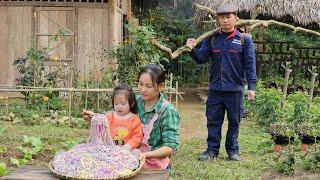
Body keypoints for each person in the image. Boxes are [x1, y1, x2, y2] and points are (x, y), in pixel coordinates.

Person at [186, 4, 257, 161]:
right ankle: (212, 150)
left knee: (234, 121)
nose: (225, 20)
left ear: (235, 18)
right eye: (222, 17)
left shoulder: (244, 40)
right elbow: (201, 58)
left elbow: (250, 65)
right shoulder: (212, 39)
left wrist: (251, 87)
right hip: (216, 90)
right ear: (217, 19)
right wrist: (191, 49)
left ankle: (232, 151)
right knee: (213, 121)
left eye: (228, 17)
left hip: (235, 89)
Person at [83, 64, 180, 170]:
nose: (143, 89)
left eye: (149, 86)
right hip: (130, 154)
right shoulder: (137, 101)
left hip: (153, 162)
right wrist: (94, 117)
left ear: (161, 86)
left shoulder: (167, 111)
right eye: (141, 84)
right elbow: (115, 114)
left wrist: (146, 155)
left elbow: (170, 147)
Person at [82, 84, 143, 151]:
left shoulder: (134, 119)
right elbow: (101, 122)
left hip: (128, 150)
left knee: (136, 153)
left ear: (131, 103)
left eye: (123, 103)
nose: (119, 106)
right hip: (110, 149)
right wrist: (92, 116)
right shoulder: (110, 116)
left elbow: (137, 137)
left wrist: (128, 146)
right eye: (116, 104)